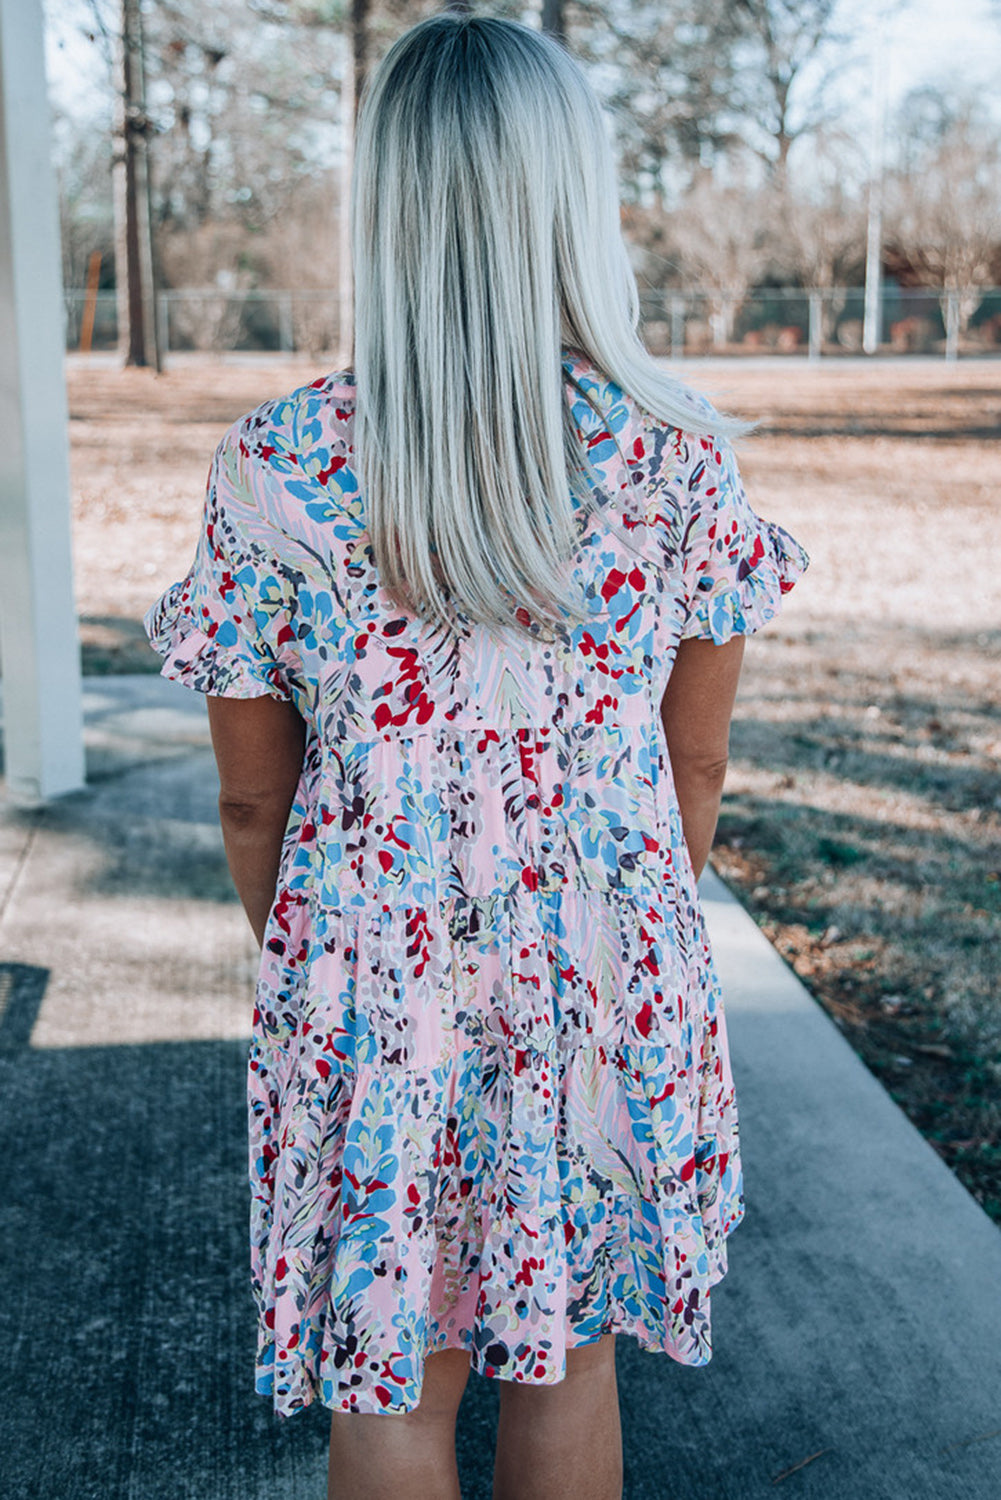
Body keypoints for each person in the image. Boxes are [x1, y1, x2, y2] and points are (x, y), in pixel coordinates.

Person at [145, 13, 808, 1500]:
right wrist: (620, 939)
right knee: (564, 1360)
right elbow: (688, 775)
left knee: (393, 1372)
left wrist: (309, 950)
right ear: (569, 195)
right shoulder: (673, 457)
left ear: (385, 200)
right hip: (599, 976)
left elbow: (256, 793)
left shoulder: (279, 463)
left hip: (368, 978)